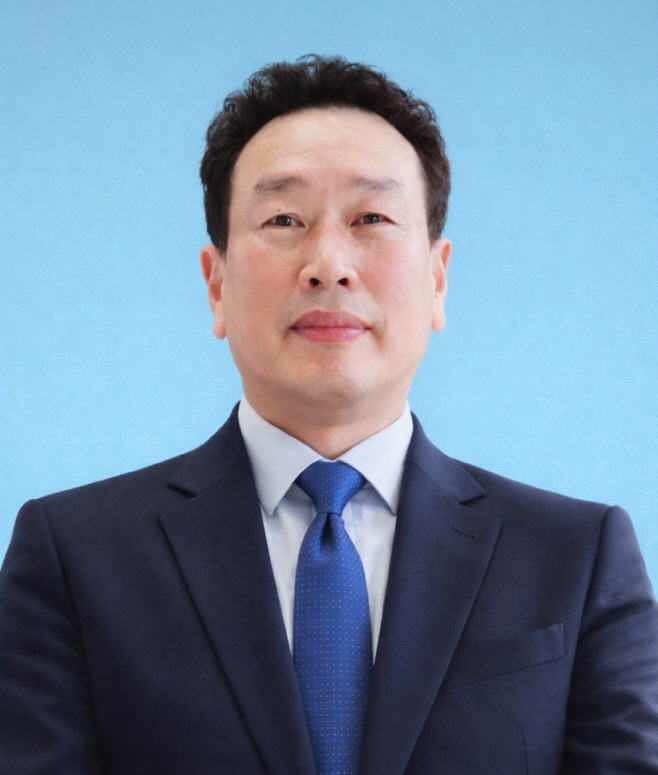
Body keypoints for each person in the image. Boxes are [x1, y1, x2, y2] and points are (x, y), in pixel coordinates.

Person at [1, 55, 657, 775]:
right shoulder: (73, 557)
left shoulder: (577, 557)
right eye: (283, 219)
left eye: (372, 218)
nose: (329, 263)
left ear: (437, 278)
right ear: (216, 285)